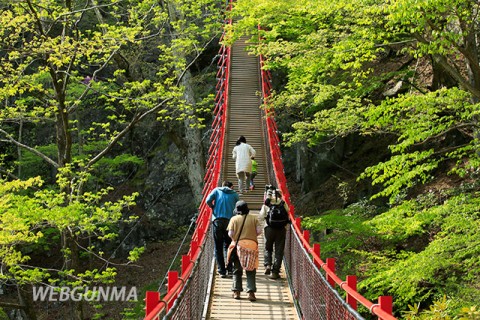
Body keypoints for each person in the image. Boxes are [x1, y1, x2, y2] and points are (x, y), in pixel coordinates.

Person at [227, 200, 262, 301]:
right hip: (252, 246)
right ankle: (251, 293)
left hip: (238, 247)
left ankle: (236, 292)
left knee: (237, 269)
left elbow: (230, 234)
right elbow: (259, 231)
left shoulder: (233, 219)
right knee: (251, 269)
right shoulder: (254, 218)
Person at [206, 181, 240, 278]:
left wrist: (213, 207)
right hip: (229, 222)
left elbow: (208, 200)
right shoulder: (234, 194)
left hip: (217, 220)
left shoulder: (216, 190)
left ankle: (221, 271)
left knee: (218, 246)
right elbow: (238, 208)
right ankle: (229, 268)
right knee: (229, 245)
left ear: (222, 185)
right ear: (231, 186)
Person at [258, 187, 290, 280]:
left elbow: (261, 216)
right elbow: (288, 213)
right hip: (281, 229)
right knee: (279, 251)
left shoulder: (267, 203)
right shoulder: (283, 204)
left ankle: (268, 265)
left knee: (268, 248)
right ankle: (275, 272)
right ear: (280, 195)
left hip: (269, 228)